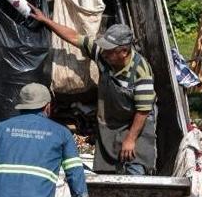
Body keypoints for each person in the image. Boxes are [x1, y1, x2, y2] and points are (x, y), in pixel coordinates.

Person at [30, 9, 157, 175]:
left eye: (109, 50)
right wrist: (46, 21)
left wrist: (131, 139)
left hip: (137, 123)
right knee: (108, 171)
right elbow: (74, 37)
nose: (104, 52)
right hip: (111, 124)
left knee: (135, 167)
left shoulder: (141, 71)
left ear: (124, 52)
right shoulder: (103, 54)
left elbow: (143, 110)